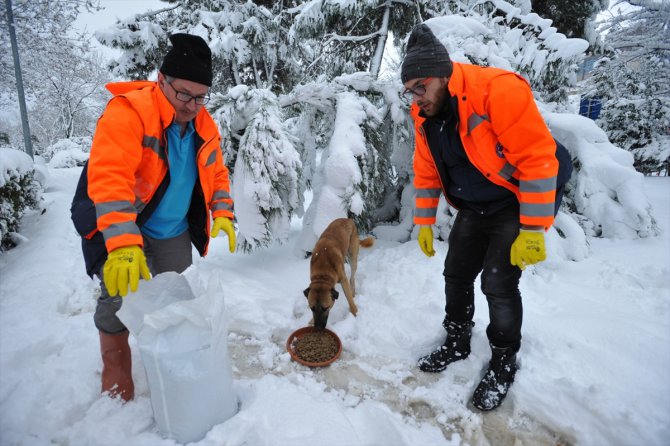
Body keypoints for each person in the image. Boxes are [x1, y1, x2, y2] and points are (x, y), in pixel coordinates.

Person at [401, 24, 572, 411]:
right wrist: (425, 221)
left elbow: (538, 159)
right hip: (475, 206)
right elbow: (426, 170)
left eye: (420, 87)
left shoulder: (497, 90)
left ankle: (503, 360)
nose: (414, 97)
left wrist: (532, 227)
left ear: (443, 76)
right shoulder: (424, 112)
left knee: (497, 282)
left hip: (514, 199)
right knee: (456, 273)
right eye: (408, 89)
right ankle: (458, 340)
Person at [71, 33, 236, 402]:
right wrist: (124, 244)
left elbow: (217, 172)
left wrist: (222, 210)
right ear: (161, 79)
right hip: (125, 223)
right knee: (119, 295)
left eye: (201, 96)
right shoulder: (128, 111)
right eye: (184, 94)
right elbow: (110, 178)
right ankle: (115, 363)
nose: (193, 105)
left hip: (173, 230)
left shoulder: (204, 124)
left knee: (173, 296)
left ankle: (167, 358)